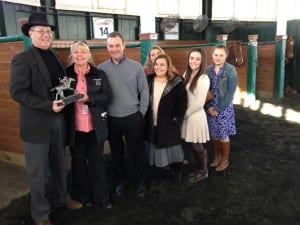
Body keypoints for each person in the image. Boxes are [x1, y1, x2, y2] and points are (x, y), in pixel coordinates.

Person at [9, 13, 82, 225]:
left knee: (60, 163)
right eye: (40, 31)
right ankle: (40, 214)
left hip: (58, 121)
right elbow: (17, 92)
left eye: (48, 32)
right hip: (36, 125)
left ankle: (62, 199)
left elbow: (60, 87)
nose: (45, 35)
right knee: (37, 173)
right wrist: (47, 105)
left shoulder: (55, 56)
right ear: (30, 34)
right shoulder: (22, 59)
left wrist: (71, 96)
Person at [98, 32, 149, 198]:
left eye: (117, 45)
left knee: (137, 151)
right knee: (117, 153)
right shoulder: (101, 69)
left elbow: (145, 92)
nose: (114, 49)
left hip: (133, 117)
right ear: (107, 48)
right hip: (112, 119)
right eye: (111, 46)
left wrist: (141, 113)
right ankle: (122, 180)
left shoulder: (136, 67)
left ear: (123, 46)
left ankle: (140, 181)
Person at [64, 41, 112, 208]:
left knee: (97, 163)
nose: (80, 54)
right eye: (76, 52)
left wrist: (89, 99)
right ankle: (83, 196)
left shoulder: (99, 74)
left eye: (83, 51)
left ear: (89, 54)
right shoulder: (66, 74)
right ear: (72, 55)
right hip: (75, 128)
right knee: (78, 163)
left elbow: (107, 96)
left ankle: (102, 198)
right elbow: (60, 98)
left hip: (95, 128)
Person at [145, 54, 187, 185]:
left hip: (169, 122)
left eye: (162, 64)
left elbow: (182, 103)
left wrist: (175, 120)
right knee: (156, 148)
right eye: (157, 64)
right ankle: (160, 172)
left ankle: (177, 172)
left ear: (168, 66)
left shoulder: (176, 81)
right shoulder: (148, 80)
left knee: (173, 149)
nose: (159, 67)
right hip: (152, 121)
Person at [205, 45, 237, 172]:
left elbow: (230, 93)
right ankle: (217, 156)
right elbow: (204, 91)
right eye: (216, 55)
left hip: (224, 107)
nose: (218, 57)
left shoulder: (230, 70)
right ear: (212, 56)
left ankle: (225, 160)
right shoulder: (207, 70)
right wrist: (208, 107)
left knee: (223, 134)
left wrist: (218, 109)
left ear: (226, 56)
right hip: (210, 107)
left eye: (221, 55)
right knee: (214, 134)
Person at [181, 48, 210, 182]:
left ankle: (203, 171)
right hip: (187, 116)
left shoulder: (203, 78)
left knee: (197, 146)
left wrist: (183, 114)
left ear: (202, 61)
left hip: (196, 117)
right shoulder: (187, 73)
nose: (194, 61)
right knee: (192, 145)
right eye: (192, 58)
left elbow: (199, 103)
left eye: (198, 59)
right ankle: (199, 169)